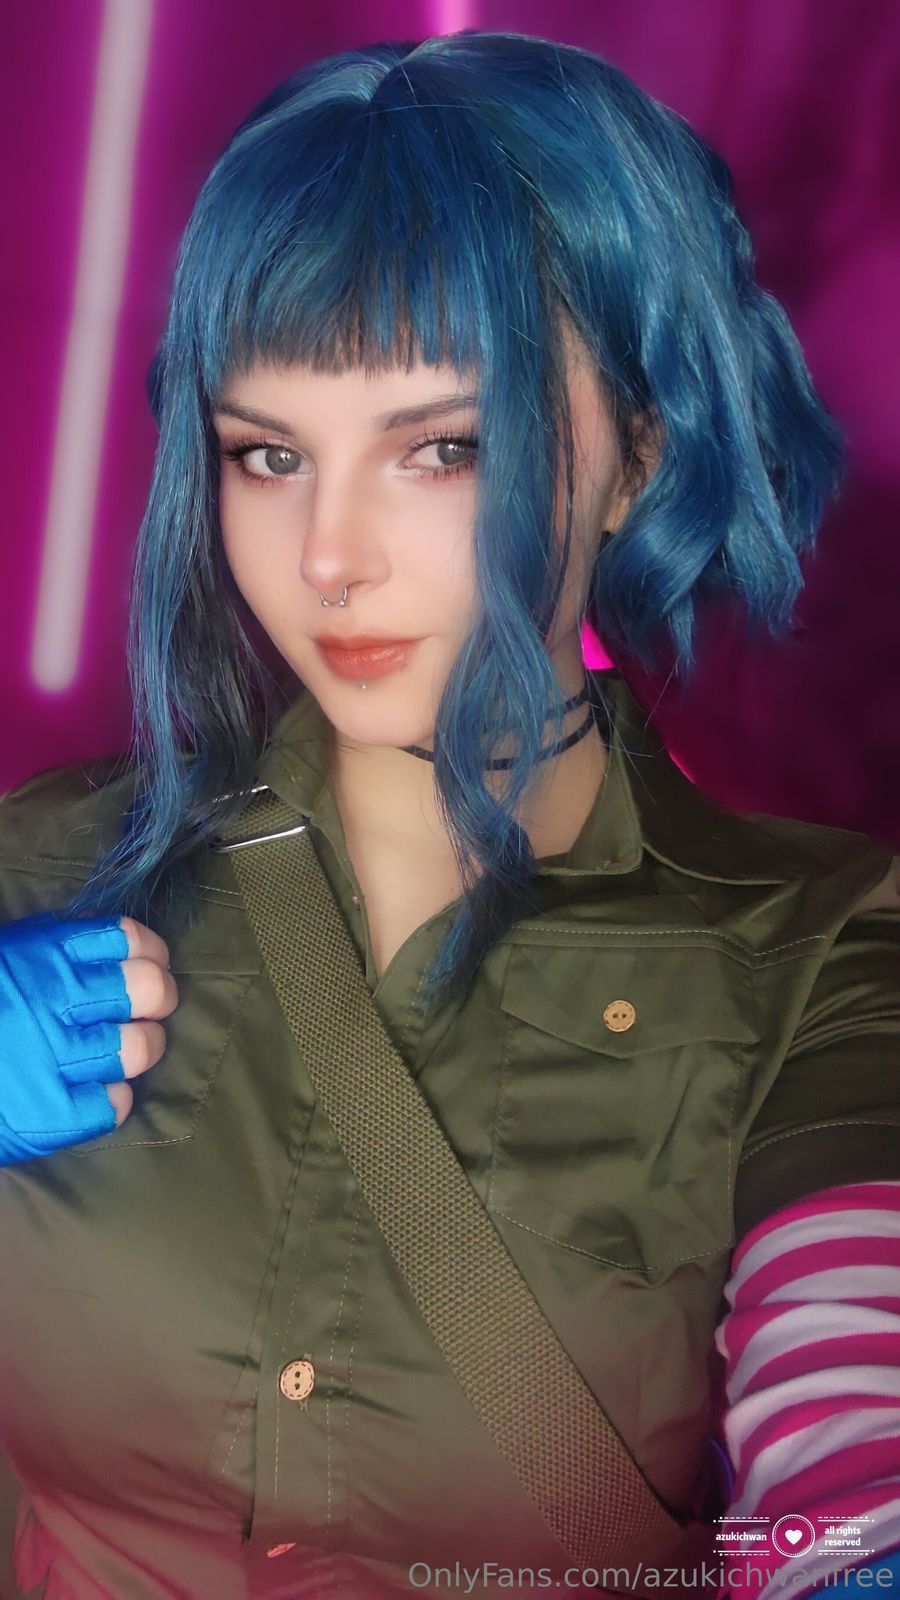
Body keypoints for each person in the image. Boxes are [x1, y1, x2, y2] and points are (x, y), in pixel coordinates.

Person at [1, 28, 899, 1600]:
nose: (328, 555)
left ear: (637, 454)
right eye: (267, 454)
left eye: (440, 447)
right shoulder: (44, 869)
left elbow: (850, 1425)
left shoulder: (816, 952)